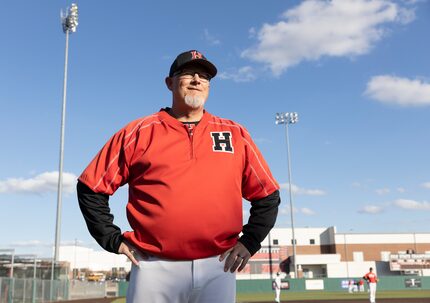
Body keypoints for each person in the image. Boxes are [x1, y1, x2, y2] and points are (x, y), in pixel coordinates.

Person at [77, 49, 280, 303]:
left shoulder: (234, 133)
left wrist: (250, 241)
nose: (197, 80)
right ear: (170, 83)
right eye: (188, 73)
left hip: (219, 264)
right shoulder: (138, 132)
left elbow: (268, 195)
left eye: (204, 76)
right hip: (153, 264)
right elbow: (91, 186)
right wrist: (111, 238)